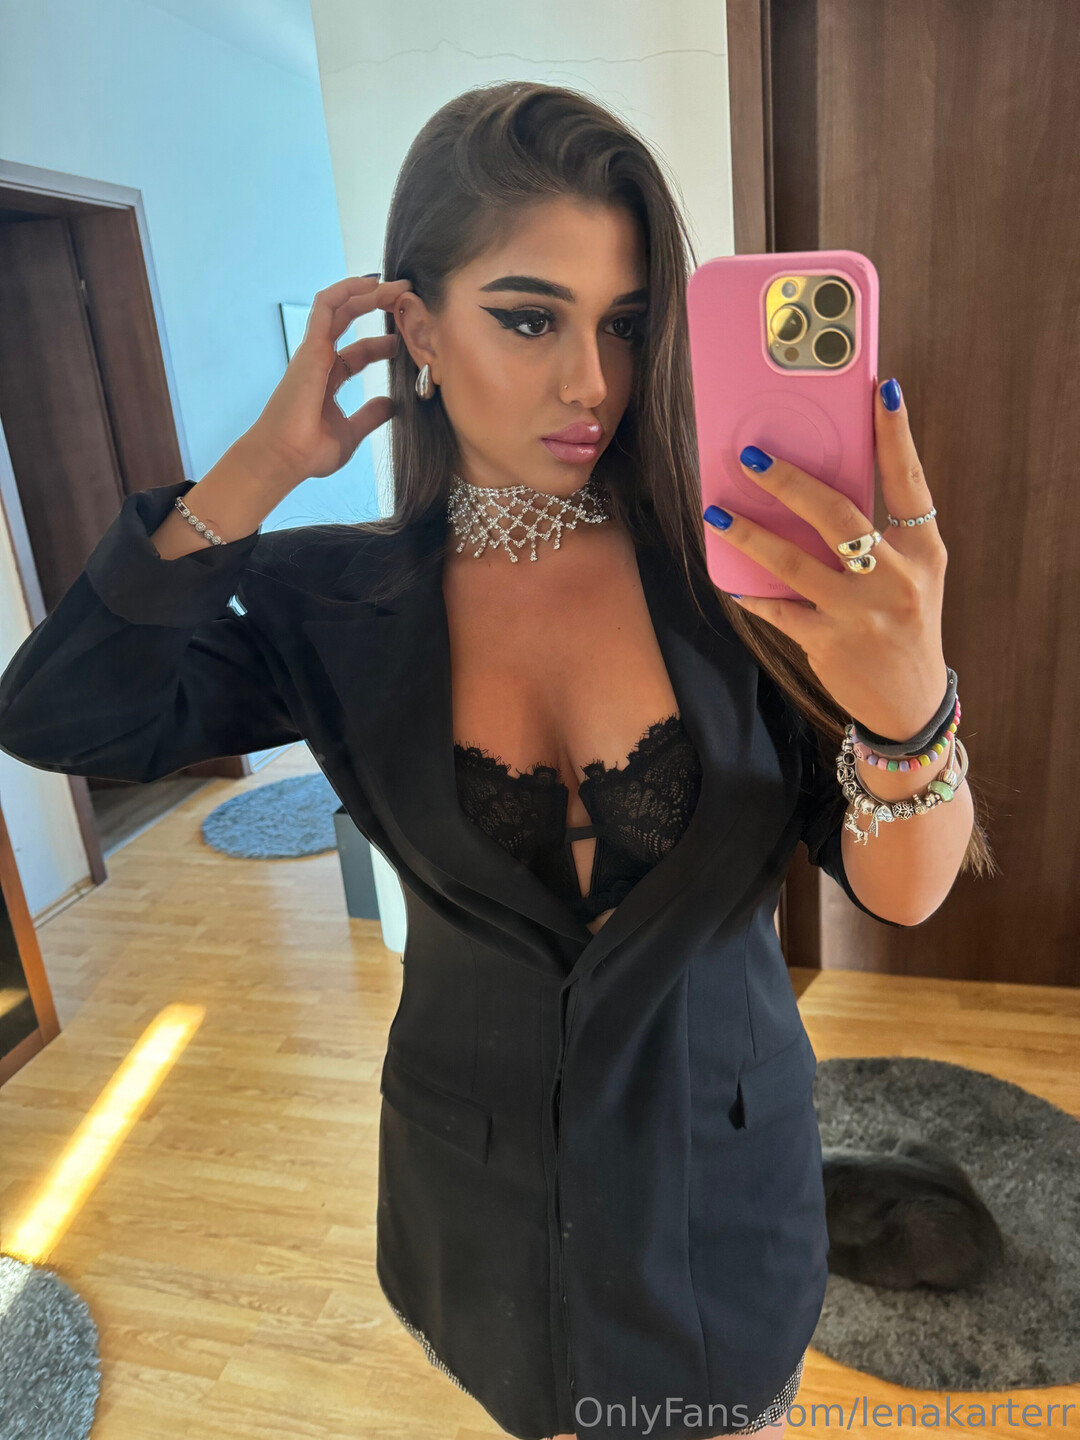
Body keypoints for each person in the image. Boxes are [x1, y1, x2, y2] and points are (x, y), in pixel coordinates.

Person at [0, 82, 991, 1440]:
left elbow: (906, 891)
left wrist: (909, 710)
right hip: (477, 1211)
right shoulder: (334, 603)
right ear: (417, 329)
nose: (591, 382)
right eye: (530, 318)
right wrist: (259, 467)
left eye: (625, 325)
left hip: (722, 1203)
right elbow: (59, 719)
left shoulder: (745, 580)